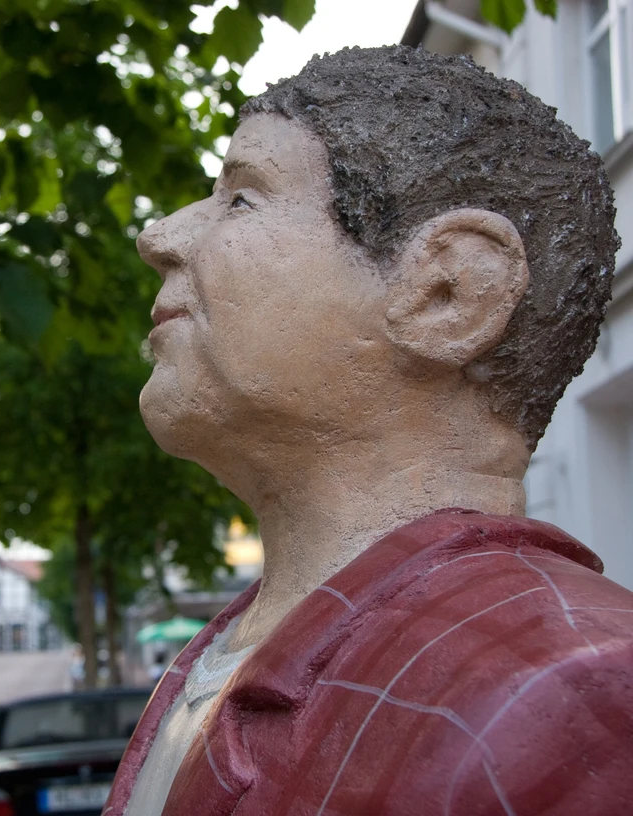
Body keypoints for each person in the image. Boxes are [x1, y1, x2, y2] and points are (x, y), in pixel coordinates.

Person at [105, 45, 633, 816]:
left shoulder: (571, 694)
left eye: (242, 198)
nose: (159, 236)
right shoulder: (215, 666)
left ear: (448, 293)